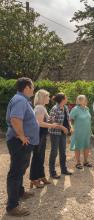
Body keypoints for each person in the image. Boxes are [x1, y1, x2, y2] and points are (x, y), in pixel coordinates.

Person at [5, 77, 39, 216]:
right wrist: (21, 136)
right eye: (32, 87)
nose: (33, 89)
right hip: (19, 142)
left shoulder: (22, 99)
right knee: (16, 173)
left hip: (22, 142)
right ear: (26, 87)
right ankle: (12, 206)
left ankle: (19, 192)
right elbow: (15, 119)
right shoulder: (20, 100)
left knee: (20, 170)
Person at [30, 89, 59, 189]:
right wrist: (52, 125)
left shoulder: (42, 107)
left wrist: (51, 120)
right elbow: (39, 123)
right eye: (47, 96)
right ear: (43, 98)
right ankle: (34, 179)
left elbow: (44, 120)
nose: (49, 98)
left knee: (41, 157)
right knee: (37, 157)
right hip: (38, 135)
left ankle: (41, 176)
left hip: (41, 135)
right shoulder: (39, 108)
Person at [49, 93, 73, 179]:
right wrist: (62, 127)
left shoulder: (65, 107)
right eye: (66, 97)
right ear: (62, 99)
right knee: (54, 152)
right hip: (55, 133)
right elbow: (51, 122)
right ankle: (52, 172)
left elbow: (68, 118)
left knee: (63, 152)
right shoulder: (54, 109)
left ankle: (64, 169)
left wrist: (70, 126)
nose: (67, 99)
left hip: (63, 133)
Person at [70, 95, 93, 169]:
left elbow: (88, 120)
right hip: (78, 131)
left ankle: (85, 161)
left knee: (86, 146)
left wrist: (91, 131)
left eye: (86, 99)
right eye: (85, 99)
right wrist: (71, 127)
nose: (86, 101)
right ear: (80, 101)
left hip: (87, 131)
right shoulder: (75, 109)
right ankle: (78, 162)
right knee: (78, 146)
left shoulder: (87, 108)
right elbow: (70, 119)